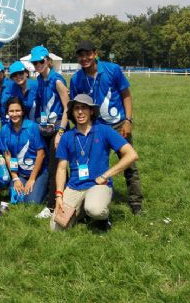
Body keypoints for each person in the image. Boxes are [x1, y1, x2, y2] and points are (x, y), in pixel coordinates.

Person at [69, 40, 143, 214]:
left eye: (88, 54)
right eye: (81, 55)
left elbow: (126, 95)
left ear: (95, 53)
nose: (84, 58)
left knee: (129, 165)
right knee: (94, 165)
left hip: (118, 126)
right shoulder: (76, 79)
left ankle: (136, 203)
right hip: (95, 128)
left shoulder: (112, 70)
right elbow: (76, 106)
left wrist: (128, 120)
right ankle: (94, 200)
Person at [51, 94, 138, 232]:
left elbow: (131, 155)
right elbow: (61, 169)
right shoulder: (67, 136)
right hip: (75, 186)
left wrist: (106, 175)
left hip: (99, 184)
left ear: (91, 111)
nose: (80, 112)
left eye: (84, 108)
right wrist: (59, 195)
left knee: (95, 210)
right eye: (76, 108)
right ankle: (83, 212)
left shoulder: (104, 130)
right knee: (56, 227)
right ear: (72, 112)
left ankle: (101, 218)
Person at [31, 45, 70, 218]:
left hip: (58, 129)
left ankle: (52, 206)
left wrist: (61, 132)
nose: (37, 65)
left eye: (40, 61)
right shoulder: (40, 79)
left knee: (55, 167)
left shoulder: (57, 80)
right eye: (35, 62)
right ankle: (65, 196)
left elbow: (68, 107)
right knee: (53, 165)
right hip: (46, 129)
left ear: (47, 60)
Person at [0, 97, 48, 204]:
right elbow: (7, 155)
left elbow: (41, 154)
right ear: (7, 112)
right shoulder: (4, 130)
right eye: (11, 111)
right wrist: (15, 178)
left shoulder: (33, 127)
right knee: (16, 199)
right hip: (20, 173)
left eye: (17, 111)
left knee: (31, 202)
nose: (14, 114)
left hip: (38, 172)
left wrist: (32, 179)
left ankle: (45, 189)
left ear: (23, 112)